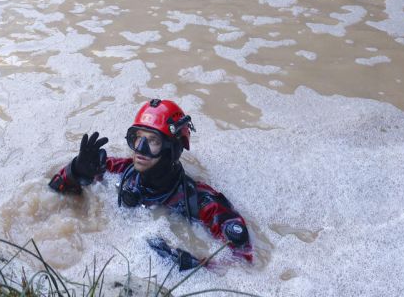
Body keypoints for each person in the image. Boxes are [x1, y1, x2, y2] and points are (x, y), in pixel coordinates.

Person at [48, 98, 252, 265]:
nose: (140, 149)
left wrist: (183, 262)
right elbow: (53, 194)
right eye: (137, 138)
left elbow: (243, 259)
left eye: (153, 141)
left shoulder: (200, 201)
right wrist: (76, 171)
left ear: (173, 149)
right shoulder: (119, 169)